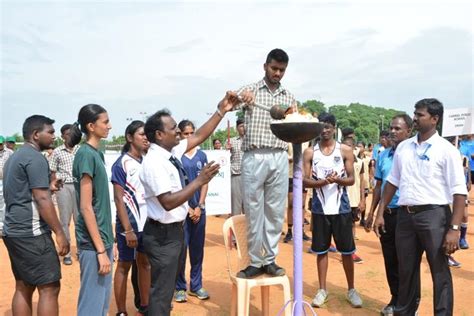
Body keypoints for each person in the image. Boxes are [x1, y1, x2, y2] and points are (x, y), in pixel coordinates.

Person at [139, 91, 251, 316]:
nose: (178, 132)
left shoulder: (169, 153)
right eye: (173, 129)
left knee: (164, 292)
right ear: (160, 134)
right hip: (162, 237)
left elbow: (199, 135)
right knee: (161, 295)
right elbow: (168, 202)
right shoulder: (153, 162)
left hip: (172, 233)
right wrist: (200, 180)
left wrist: (221, 110)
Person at [374, 98, 467, 315]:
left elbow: (459, 192)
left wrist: (454, 229)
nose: (415, 118)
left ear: (434, 119)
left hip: (435, 216)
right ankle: (405, 312)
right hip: (405, 218)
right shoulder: (404, 147)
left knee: (439, 272)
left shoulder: (446, 150)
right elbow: (392, 182)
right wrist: (380, 212)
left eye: (420, 114)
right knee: (406, 271)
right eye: (414, 113)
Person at [233, 48, 296, 279]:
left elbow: (294, 124)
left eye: (281, 70)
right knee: (253, 210)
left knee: (275, 211)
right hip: (254, 155)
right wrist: (241, 98)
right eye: (274, 68)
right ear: (265, 67)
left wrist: (290, 116)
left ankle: (269, 260)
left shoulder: (289, 98)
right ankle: (255, 261)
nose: (277, 73)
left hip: (279, 156)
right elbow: (227, 103)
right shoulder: (250, 90)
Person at [3, 115, 69, 316]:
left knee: (24, 285)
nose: (54, 136)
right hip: (31, 233)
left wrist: (49, 187)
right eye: (50, 132)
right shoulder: (35, 158)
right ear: (35, 134)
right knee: (49, 287)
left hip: (13, 230)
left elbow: (24, 190)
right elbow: (41, 199)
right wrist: (59, 232)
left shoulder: (15, 156)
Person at [303, 113, 363, 308]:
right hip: (320, 209)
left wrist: (337, 180)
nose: (325, 130)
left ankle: (351, 289)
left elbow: (352, 179)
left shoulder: (344, 150)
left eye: (329, 126)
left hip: (341, 209)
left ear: (334, 127)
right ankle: (322, 289)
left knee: (347, 252)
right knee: (321, 251)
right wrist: (320, 182)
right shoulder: (310, 152)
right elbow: (304, 180)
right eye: (322, 126)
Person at [364, 114, 417, 316]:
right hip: (387, 214)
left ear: (409, 131)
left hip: (407, 214)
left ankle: (409, 304)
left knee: (407, 261)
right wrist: (373, 212)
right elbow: (379, 185)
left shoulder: (413, 154)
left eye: (398, 129)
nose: (393, 132)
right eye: (391, 129)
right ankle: (395, 299)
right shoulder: (384, 155)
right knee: (390, 259)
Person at [70, 104, 114, 316]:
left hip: (102, 240)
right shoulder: (86, 155)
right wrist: (100, 250)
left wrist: (108, 244)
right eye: (105, 122)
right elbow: (86, 207)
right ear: (91, 126)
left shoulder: (97, 154)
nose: (110, 126)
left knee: (102, 306)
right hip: (93, 244)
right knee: (91, 308)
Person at [111, 120, 150, 316]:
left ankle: (145, 306)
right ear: (129, 138)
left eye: (147, 134)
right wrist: (127, 230)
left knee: (144, 263)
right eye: (141, 134)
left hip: (147, 225)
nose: (146, 138)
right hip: (130, 225)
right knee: (124, 266)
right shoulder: (122, 164)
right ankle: (120, 311)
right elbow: (118, 199)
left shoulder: (147, 161)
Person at [174, 120, 210, 303]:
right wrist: (186, 208)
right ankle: (179, 287)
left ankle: (196, 286)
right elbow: (174, 186)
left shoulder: (202, 155)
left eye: (191, 133)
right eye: (185, 134)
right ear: (179, 135)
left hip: (198, 211)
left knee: (197, 250)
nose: (189, 137)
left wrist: (199, 206)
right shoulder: (176, 156)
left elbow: (204, 182)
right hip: (181, 212)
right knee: (181, 250)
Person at [49, 124, 80, 265]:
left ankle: (80, 250)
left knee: (80, 220)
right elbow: (52, 171)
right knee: (65, 221)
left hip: (79, 187)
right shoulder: (57, 151)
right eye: (67, 134)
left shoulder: (81, 150)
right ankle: (67, 253)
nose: (70, 136)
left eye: (72, 133)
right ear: (62, 136)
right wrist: (54, 184)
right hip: (64, 187)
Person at [342, 137, 366, 264]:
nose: (346, 148)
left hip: (354, 199)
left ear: (354, 147)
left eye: (349, 146)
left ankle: (351, 252)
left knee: (352, 224)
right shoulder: (339, 161)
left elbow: (361, 182)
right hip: (342, 199)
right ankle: (346, 251)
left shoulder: (360, 162)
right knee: (343, 226)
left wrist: (362, 199)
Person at [283, 142, 311, 243]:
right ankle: (289, 231)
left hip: (304, 176)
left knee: (302, 205)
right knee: (291, 204)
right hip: (290, 175)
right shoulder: (287, 141)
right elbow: (283, 156)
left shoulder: (308, 141)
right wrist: (291, 158)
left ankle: (301, 231)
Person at [227, 118, 245, 216]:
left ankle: (249, 231)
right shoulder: (231, 142)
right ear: (237, 128)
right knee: (236, 206)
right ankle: (235, 230)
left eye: (246, 125)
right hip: (236, 175)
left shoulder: (251, 140)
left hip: (250, 176)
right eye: (241, 126)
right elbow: (224, 158)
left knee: (249, 207)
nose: (244, 128)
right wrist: (226, 150)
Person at [0, 135, 14, 236]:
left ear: (3, 143)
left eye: (0, 144)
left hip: (4, 180)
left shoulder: (9, 153)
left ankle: (2, 227)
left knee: (3, 205)